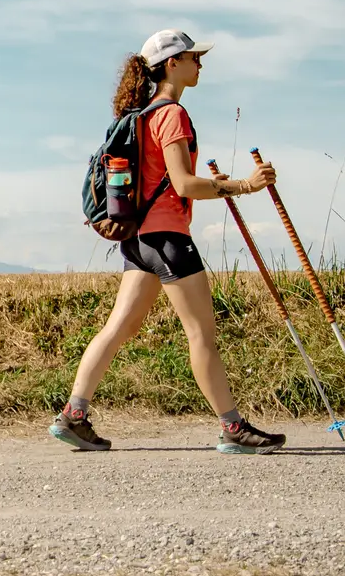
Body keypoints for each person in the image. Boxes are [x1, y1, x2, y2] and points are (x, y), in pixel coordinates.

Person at [51, 29, 287, 455]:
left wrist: (214, 185)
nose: (200, 64)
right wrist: (245, 185)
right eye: (194, 57)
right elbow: (183, 184)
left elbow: (166, 179)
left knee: (119, 328)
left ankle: (74, 415)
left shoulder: (142, 115)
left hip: (139, 238)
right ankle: (233, 429)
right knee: (201, 335)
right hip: (168, 238)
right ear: (172, 64)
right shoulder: (172, 114)